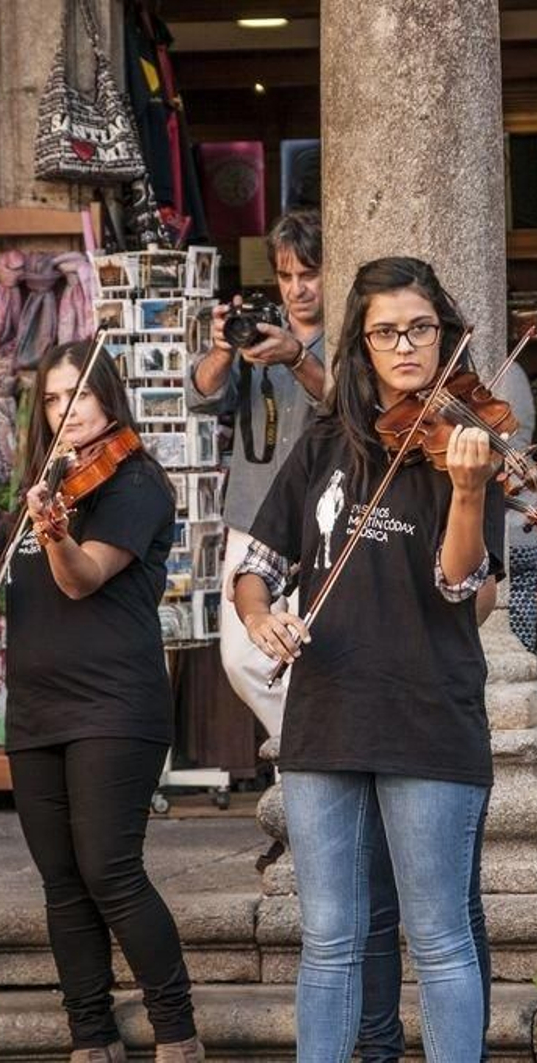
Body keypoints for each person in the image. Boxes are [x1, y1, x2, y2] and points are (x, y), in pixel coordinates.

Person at [233, 256, 502, 1061]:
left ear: (445, 334)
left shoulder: (468, 446)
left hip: (427, 710)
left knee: (440, 937)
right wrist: (260, 618)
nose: (406, 346)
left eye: (420, 328)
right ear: (362, 344)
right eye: (387, 332)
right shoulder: (325, 439)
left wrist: (468, 492)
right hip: (327, 712)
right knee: (328, 939)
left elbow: (461, 588)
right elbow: (258, 564)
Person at [0, 341, 202, 1063]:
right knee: (63, 882)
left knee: (109, 869)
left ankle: (177, 1032)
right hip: (37, 707)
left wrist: (56, 534)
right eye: (52, 398)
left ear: (109, 397)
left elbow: (80, 578)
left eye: (80, 395)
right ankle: (90, 1035)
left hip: (114, 705)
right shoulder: (48, 484)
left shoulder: (136, 483)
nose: (65, 411)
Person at [187, 208, 326, 738]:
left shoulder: (347, 333)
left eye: (309, 274)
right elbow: (201, 398)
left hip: (320, 517)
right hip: (252, 512)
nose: (297, 289)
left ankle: (306, 763)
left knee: (315, 650)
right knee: (242, 658)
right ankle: (302, 749)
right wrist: (224, 350)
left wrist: (296, 356)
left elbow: (343, 402)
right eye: (286, 276)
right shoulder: (261, 327)